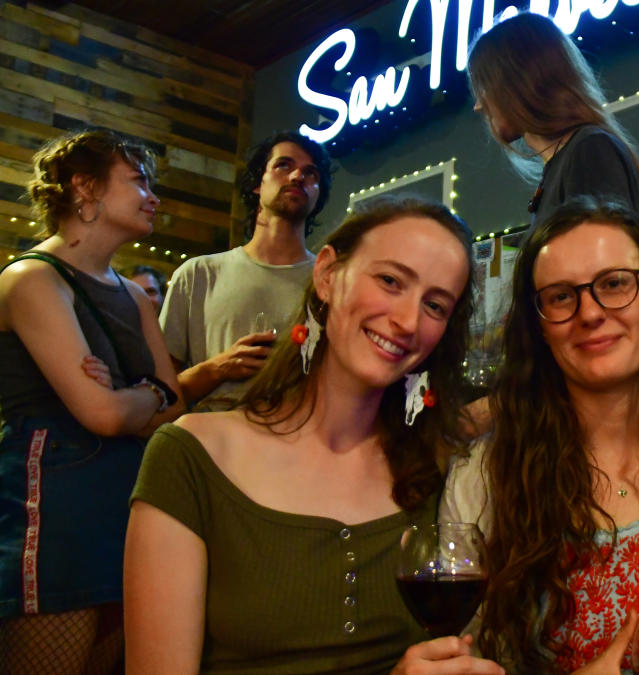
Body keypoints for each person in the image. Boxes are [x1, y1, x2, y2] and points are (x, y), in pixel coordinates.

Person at [124, 197, 504, 674]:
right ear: (327, 275)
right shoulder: (192, 455)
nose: (408, 321)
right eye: (390, 281)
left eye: (434, 305)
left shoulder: (436, 465)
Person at [442, 198, 639, 673]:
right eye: (561, 296)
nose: (590, 312)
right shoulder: (483, 479)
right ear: (538, 326)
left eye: (614, 284)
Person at [0, 128, 183, 673]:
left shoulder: (133, 295)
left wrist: (137, 395)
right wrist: (148, 393)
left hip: (126, 500)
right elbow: (104, 414)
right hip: (55, 503)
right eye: (137, 180)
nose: (152, 195)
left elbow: (175, 411)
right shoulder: (33, 278)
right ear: (85, 187)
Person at [159, 130, 334, 411]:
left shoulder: (332, 285)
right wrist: (217, 369)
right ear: (257, 184)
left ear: (319, 195)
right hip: (210, 444)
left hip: (298, 446)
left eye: (310, 173)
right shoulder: (198, 275)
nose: (297, 176)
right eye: (284, 165)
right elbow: (159, 394)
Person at [467, 12, 639, 232]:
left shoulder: (590, 151)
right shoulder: (574, 157)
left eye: (484, 86)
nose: (479, 105)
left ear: (519, 83)